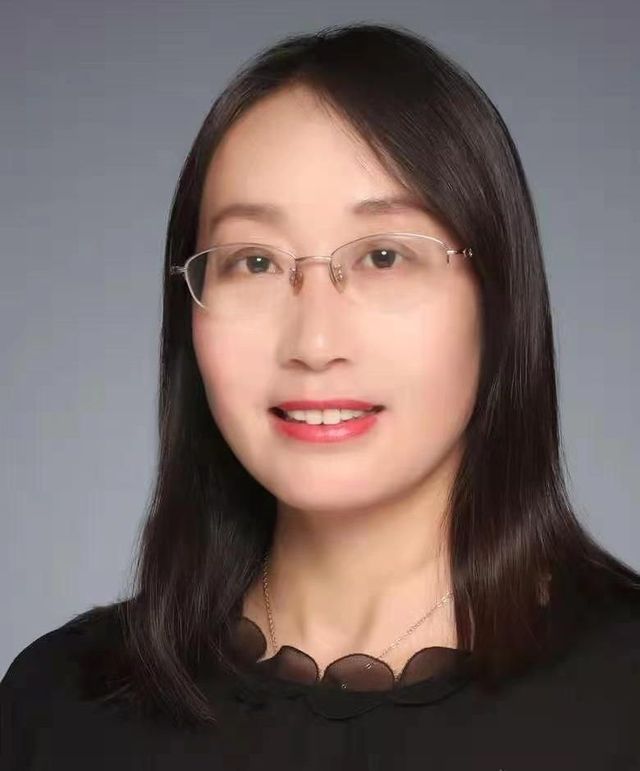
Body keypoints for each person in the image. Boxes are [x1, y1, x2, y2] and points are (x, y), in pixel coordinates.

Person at [2, 22, 639, 770]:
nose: (313, 341)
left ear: (498, 296)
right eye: (255, 262)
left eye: (383, 256)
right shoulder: (58, 707)